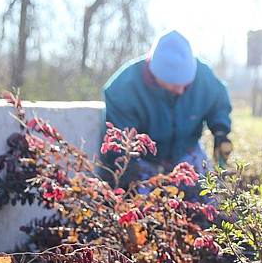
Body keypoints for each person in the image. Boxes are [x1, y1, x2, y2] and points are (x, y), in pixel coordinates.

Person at [99, 29, 233, 197]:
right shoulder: (124, 89)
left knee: (208, 197)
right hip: (143, 159)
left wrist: (221, 132)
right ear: (156, 75)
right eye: (174, 85)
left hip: (187, 149)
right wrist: (127, 181)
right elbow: (120, 144)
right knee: (143, 205)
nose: (182, 90)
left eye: (186, 83)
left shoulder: (203, 76)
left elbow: (218, 103)